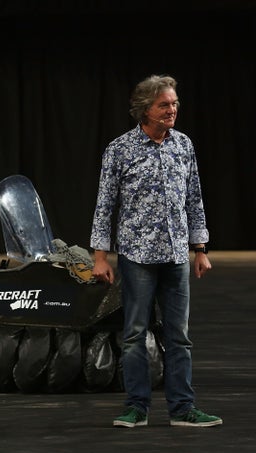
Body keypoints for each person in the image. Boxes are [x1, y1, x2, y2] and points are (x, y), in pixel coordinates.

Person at [90, 74, 222, 428]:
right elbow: (105, 205)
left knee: (179, 336)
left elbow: (193, 199)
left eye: (175, 103)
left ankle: (183, 409)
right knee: (134, 334)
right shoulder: (120, 150)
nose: (172, 110)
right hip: (137, 257)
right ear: (143, 110)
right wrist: (100, 256)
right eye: (164, 104)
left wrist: (200, 248)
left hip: (177, 255)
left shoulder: (183, 145)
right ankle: (136, 407)